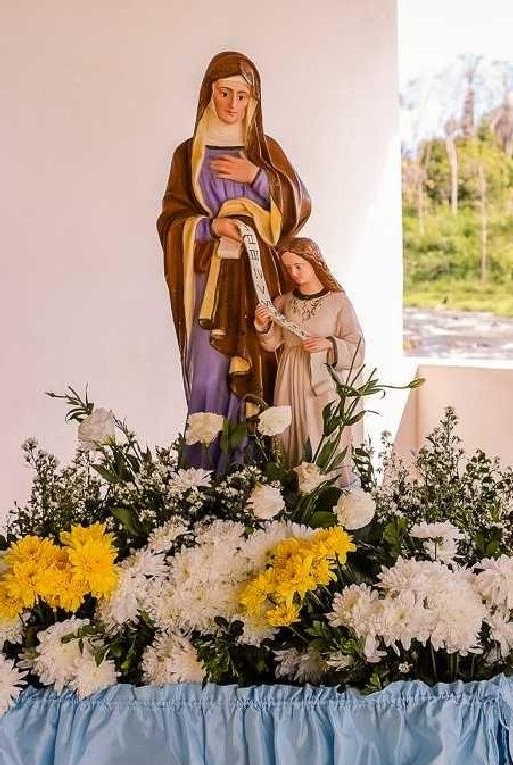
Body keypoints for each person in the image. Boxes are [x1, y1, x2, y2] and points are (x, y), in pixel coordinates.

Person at [157, 51, 311, 472]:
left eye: (243, 96)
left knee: (256, 374)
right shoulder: (188, 155)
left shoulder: (264, 150)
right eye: (225, 93)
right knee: (209, 377)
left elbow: (298, 206)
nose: (232, 104)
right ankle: (202, 481)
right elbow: (171, 220)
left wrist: (256, 177)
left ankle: (250, 480)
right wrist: (210, 228)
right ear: (209, 92)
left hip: (257, 283)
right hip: (210, 286)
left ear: (254, 102)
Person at [255, 238, 365, 485]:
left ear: (314, 263)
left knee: (321, 431)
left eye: (299, 266)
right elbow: (271, 344)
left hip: (323, 378)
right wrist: (263, 326)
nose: (294, 273)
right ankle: (295, 496)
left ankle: (329, 493)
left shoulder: (338, 302)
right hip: (291, 375)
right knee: (292, 434)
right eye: (289, 268)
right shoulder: (283, 302)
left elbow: (358, 348)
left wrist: (328, 343)